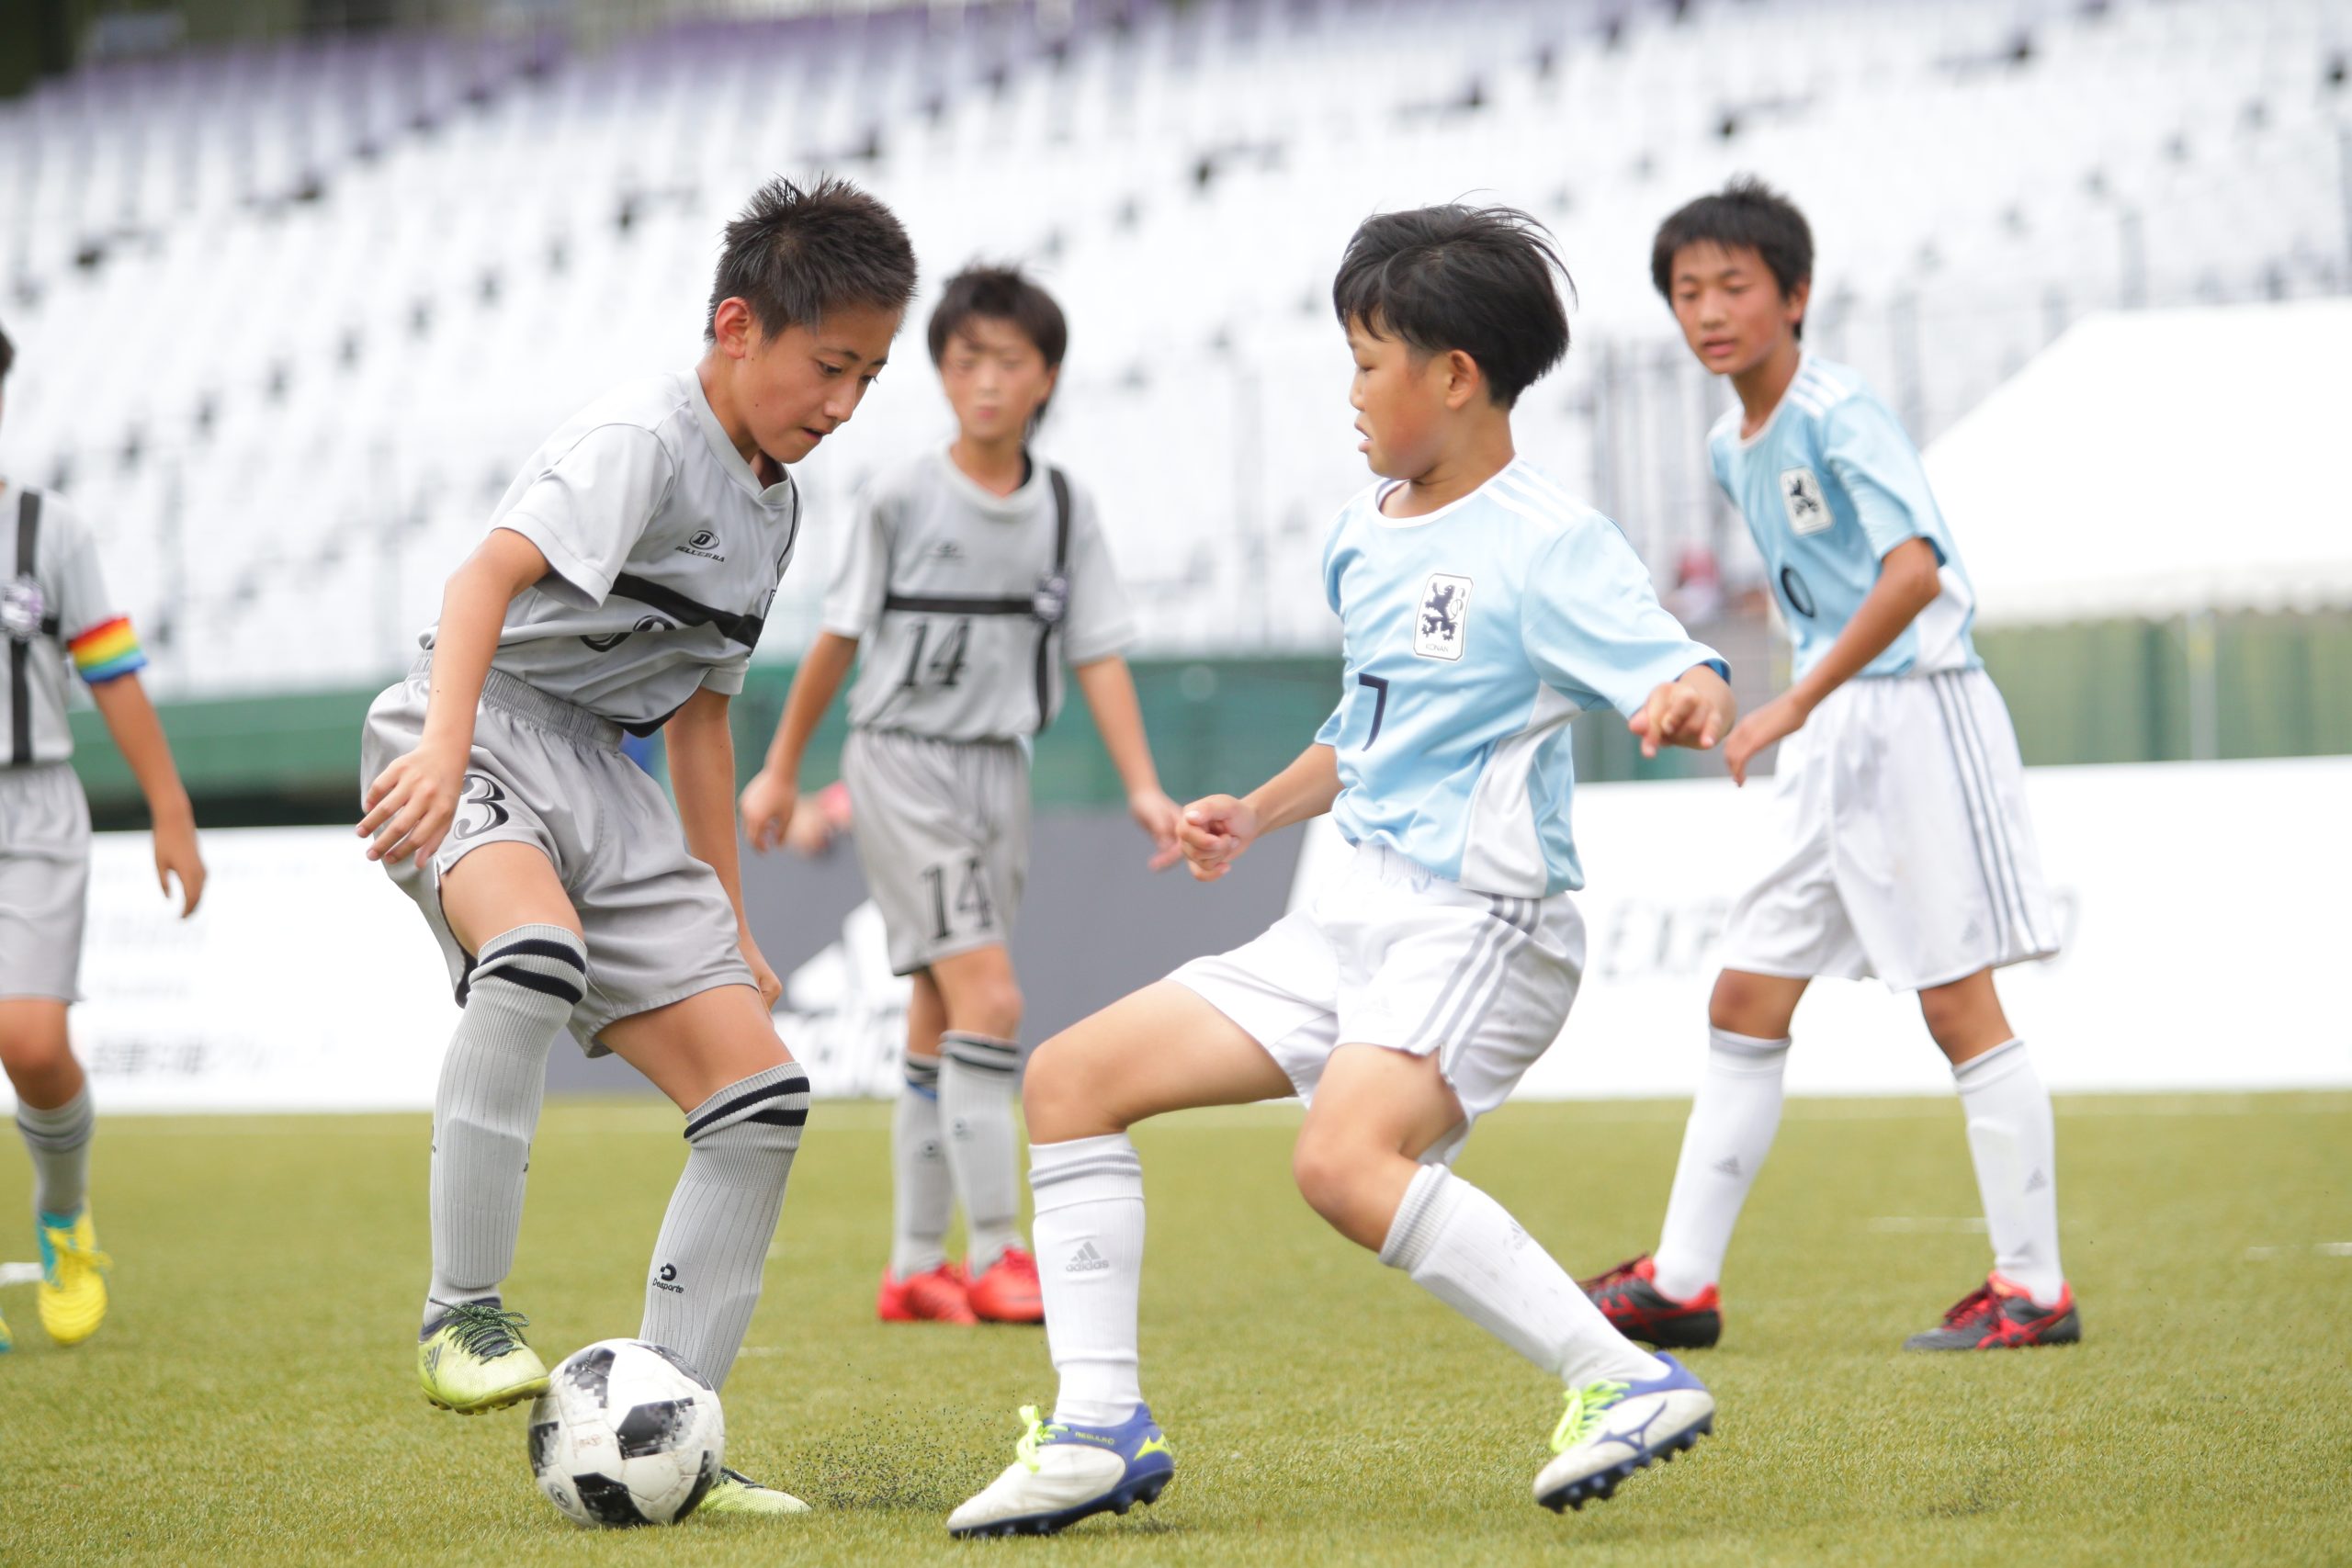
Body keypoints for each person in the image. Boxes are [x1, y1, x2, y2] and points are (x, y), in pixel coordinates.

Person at [945, 206, 1735, 1538]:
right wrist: (1253, 813)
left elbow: (1677, 662)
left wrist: (1689, 696)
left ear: (1455, 375)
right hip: (1346, 914)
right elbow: (1367, 730)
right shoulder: (1362, 533)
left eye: (1369, 363)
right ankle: (1096, 1427)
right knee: (1069, 1081)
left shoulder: (1549, 540)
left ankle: (1623, 1376)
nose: (1351, 393)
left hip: (1480, 921)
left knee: (1342, 1160)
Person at [356, 176, 916, 1513]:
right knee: (532, 953)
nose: (844, 403)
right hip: (477, 724)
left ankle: (676, 1441)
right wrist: (442, 749)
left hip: (610, 777)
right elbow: (482, 580)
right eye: (829, 364)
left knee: (761, 1101)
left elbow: (705, 723)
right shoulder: (642, 440)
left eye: (869, 376)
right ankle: (460, 1310)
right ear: (739, 325)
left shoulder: (776, 507)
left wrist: (733, 924)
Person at [1584, 176, 2077, 1354]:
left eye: (1734, 285)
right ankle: (1683, 1283)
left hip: (1913, 714)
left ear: (1795, 295)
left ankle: (2034, 1290)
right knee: (1745, 996)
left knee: (1955, 1001)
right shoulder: (1731, 443)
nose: (1709, 311)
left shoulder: (1838, 410)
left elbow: (1914, 573)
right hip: (1831, 734)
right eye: (1687, 291)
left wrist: (1791, 702)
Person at [741, 265, 1181, 1328]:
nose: (985, 381)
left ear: (1047, 377)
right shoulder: (901, 497)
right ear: (940, 372)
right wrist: (782, 768)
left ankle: (909, 1269)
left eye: (1008, 361)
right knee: (990, 1000)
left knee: (942, 1016)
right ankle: (994, 1250)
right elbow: (838, 639)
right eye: (965, 359)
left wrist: (1142, 787)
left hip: (1000, 771)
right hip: (902, 764)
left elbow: (1097, 652)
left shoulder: (1063, 508)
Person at [0, 322, 207, 1356]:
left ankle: (64, 1212)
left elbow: (110, 671)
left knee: (32, 1043)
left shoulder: (49, 532)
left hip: (31, 808)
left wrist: (170, 807)